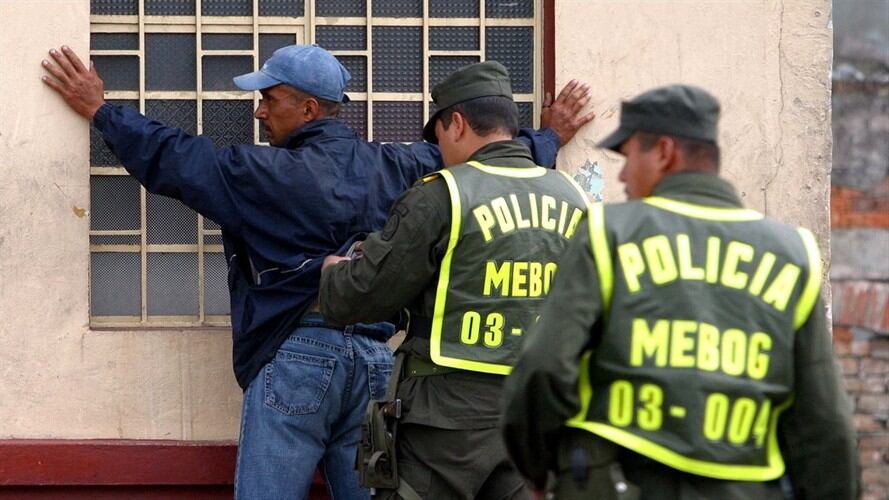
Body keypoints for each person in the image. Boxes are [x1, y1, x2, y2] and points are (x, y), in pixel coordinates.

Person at [40, 44, 593, 499]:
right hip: (377, 364)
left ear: (308, 109)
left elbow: (175, 158)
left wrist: (102, 111)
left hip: (296, 356)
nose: (259, 111)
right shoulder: (402, 166)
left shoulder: (260, 173)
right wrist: (548, 139)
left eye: (269, 98)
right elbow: (486, 162)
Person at [501, 84, 860, 500]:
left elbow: (543, 367)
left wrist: (542, 470)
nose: (622, 175)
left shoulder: (609, 232)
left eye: (628, 157)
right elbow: (825, 421)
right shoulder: (792, 252)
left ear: (664, 152)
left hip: (617, 482)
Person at [319, 61, 593, 499]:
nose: (441, 150)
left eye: (440, 136)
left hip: (444, 428)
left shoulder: (442, 194)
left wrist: (334, 275)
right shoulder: (574, 197)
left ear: (458, 124)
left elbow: (361, 297)